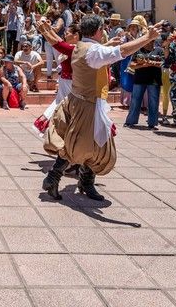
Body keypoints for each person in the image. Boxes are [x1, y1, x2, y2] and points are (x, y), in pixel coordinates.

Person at [42, 15, 161, 202]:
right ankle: (54, 178)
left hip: (79, 101)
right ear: (99, 31)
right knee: (78, 146)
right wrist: (147, 38)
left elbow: (58, 42)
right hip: (87, 106)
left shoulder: (80, 46)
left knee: (96, 143)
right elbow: (122, 51)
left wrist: (44, 29)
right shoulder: (93, 51)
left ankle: (84, 181)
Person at [124, 40, 164, 130]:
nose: (149, 43)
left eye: (152, 41)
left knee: (153, 102)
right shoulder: (138, 51)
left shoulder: (159, 50)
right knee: (135, 101)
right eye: (148, 42)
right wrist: (143, 65)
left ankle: (152, 123)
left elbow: (163, 63)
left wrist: (153, 63)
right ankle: (130, 121)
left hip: (154, 80)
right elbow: (131, 65)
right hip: (139, 79)